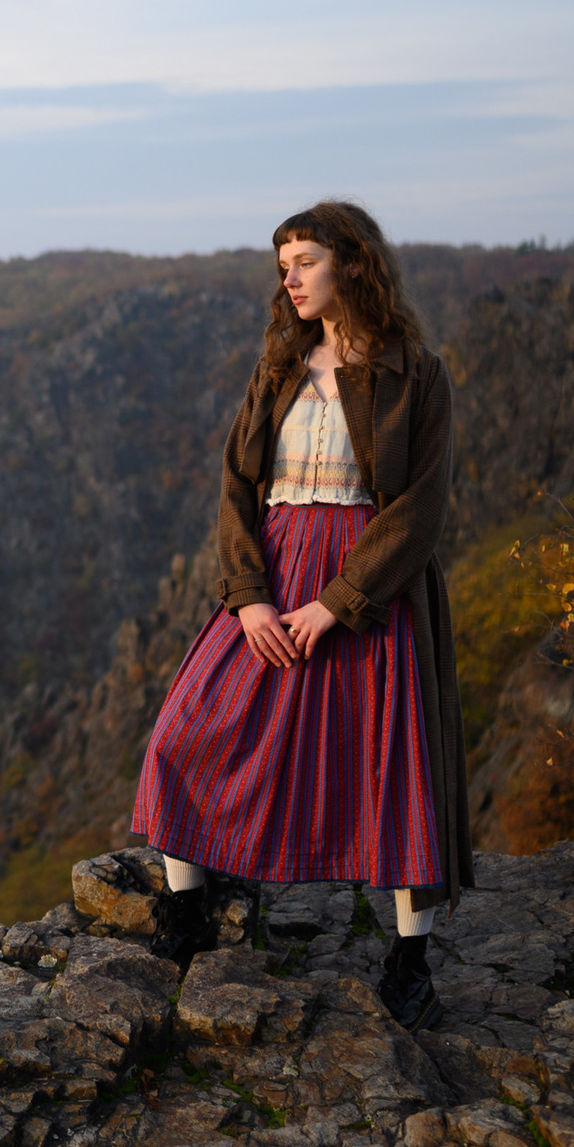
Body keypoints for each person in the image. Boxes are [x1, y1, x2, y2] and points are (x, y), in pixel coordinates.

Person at [128, 200, 470, 1031]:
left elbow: (420, 510)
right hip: (273, 574)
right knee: (184, 731)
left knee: (396, 768)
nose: (289, 275)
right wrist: (250, 598)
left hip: (370, 584)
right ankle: (187, 915)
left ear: (352, 263)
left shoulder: (415, 373)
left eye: (305, 259)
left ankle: (411, 961)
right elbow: (236, 489)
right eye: (283, 261)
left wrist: (340, 602)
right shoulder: (280, 368)